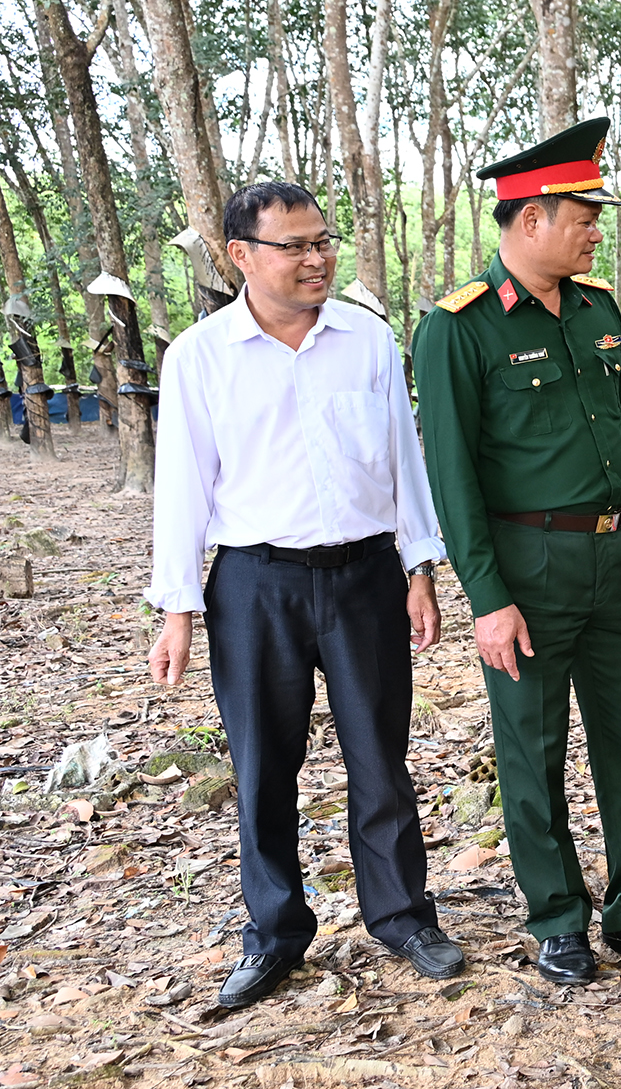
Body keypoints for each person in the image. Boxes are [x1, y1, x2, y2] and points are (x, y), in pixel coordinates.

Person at [145, 182, 462, 1009]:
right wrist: (177, 609)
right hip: (255, 585)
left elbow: (403, 462)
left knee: (378, 756)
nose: (317, 258)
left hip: (364, 577)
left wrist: (419, 566)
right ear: (240, 255)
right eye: (295, 245)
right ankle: (276, 932)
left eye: (324, 241)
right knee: (262, 766)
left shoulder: (367, 340)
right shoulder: (201, 357)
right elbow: (181, 486)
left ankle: (401, 915)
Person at [412, 117, 621, 984]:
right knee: (531, 750)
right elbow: (452, 477)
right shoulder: (457, 328)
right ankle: (556, 918)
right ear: (531, 217)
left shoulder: (598, 309)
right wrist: (486, 597)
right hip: (526, 569)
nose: (594, 230)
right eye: (582, 215)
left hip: (615, 559)